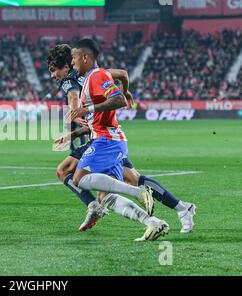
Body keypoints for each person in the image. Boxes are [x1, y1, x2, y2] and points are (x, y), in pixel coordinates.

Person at [49, 45, 196, 234]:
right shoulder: (97, 73)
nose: (53, 76)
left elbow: (73, 96)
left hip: (104, 139)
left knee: (65, 171)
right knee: (132, 180)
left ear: (67, 66)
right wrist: (125, 91)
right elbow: (123, 74)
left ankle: (94, 206)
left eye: (54, 70)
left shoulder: (70, 79)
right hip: (108, 135)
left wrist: (75, 111)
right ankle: (180, 209)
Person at [69, 39, 170, 241]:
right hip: (109, 140)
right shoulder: (92, 78)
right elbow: (122, 76)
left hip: (107, 141)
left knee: (78, 179)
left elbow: (119, 100)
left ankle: (138, 191)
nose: (72, 63)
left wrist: (87, 109)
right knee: (104, 197)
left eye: (74, 58)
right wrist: (75, 133)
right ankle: (154, 223)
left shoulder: (96, 76)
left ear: (85, 57)